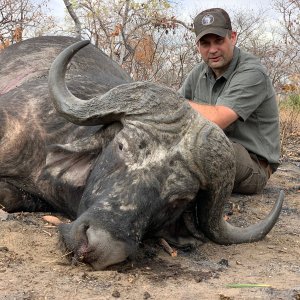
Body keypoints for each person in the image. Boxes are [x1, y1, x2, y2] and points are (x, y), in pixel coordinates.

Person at [179, 8, 280, 194]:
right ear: (197, 46)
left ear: (232, 37)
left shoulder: (252, 72)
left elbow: (217, 119)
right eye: (205, 44)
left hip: (253, 166)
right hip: (213, 146)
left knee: (202, 147)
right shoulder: (198, 73)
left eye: (219, 41)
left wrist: (168, 103)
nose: (213, 50)